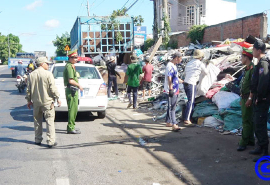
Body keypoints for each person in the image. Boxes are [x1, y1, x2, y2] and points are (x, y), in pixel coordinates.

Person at [25, 57, 61, 148]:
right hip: (47, 102)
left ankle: (37, 139)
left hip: (36, 103)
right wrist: (58, 97)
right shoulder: (48, 74)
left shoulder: (31, 75)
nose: (48, 65)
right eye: (47, 63)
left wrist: (28, 101)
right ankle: (50, 141)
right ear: (42, 64)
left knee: (37, 121)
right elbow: (52, 88)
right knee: (49, 121)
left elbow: (28, 90)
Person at [248, 39, 270, 162]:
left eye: (254, 49)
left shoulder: (264, 63)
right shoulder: (260, 62)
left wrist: (260, 97)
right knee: (257, 123)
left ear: (259, 50)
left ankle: (265, 152)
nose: (252, 51)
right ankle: (259, 147)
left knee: (260, 124)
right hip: (259, 98)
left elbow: (264, 82)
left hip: (262, 99)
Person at [183, 49, 208, 127]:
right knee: (191, 101)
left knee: (189, 101)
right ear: (200, 57)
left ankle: (187, 117)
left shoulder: (189, 63)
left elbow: (185, 73)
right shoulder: (200, 64)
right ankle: (187, 119)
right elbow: (206, 72)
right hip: (191, 83)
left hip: (185, 83)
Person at [237, 48, 255, 152]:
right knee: (249, 120)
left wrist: (249, 98)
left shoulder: (252, 69)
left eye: (242, 57)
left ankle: (243, 142)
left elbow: (253, 86)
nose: (240, 59)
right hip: (244, 97)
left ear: (246, 57)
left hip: (248, 98)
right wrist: (242, 97)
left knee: (246, 120)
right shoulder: (247, 68)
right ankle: (251, 140)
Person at [63, 50, 83, 134]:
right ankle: (70, 128)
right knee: (72, 109)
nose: (76, 59)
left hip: (73, 89)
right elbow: (70, 80)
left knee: (74, 109)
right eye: (74, 57)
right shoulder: (69, 66)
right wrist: (79, 85)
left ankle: (72, 126)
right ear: (70, 58)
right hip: (71, 89)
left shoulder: (71, 66)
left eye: (77, 57)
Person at [164, 52, 183, 131]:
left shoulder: (174, 66)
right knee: (172, 107)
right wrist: (171, 89)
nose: (181, 61)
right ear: (176, 58)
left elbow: (175, 77)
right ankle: (174, 124)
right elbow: (169, 77)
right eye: (180, 59)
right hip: (171, 90)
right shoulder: (170, 66)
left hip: (175, 88)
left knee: (171, 106)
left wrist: (182, 81)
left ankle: (168, 122)